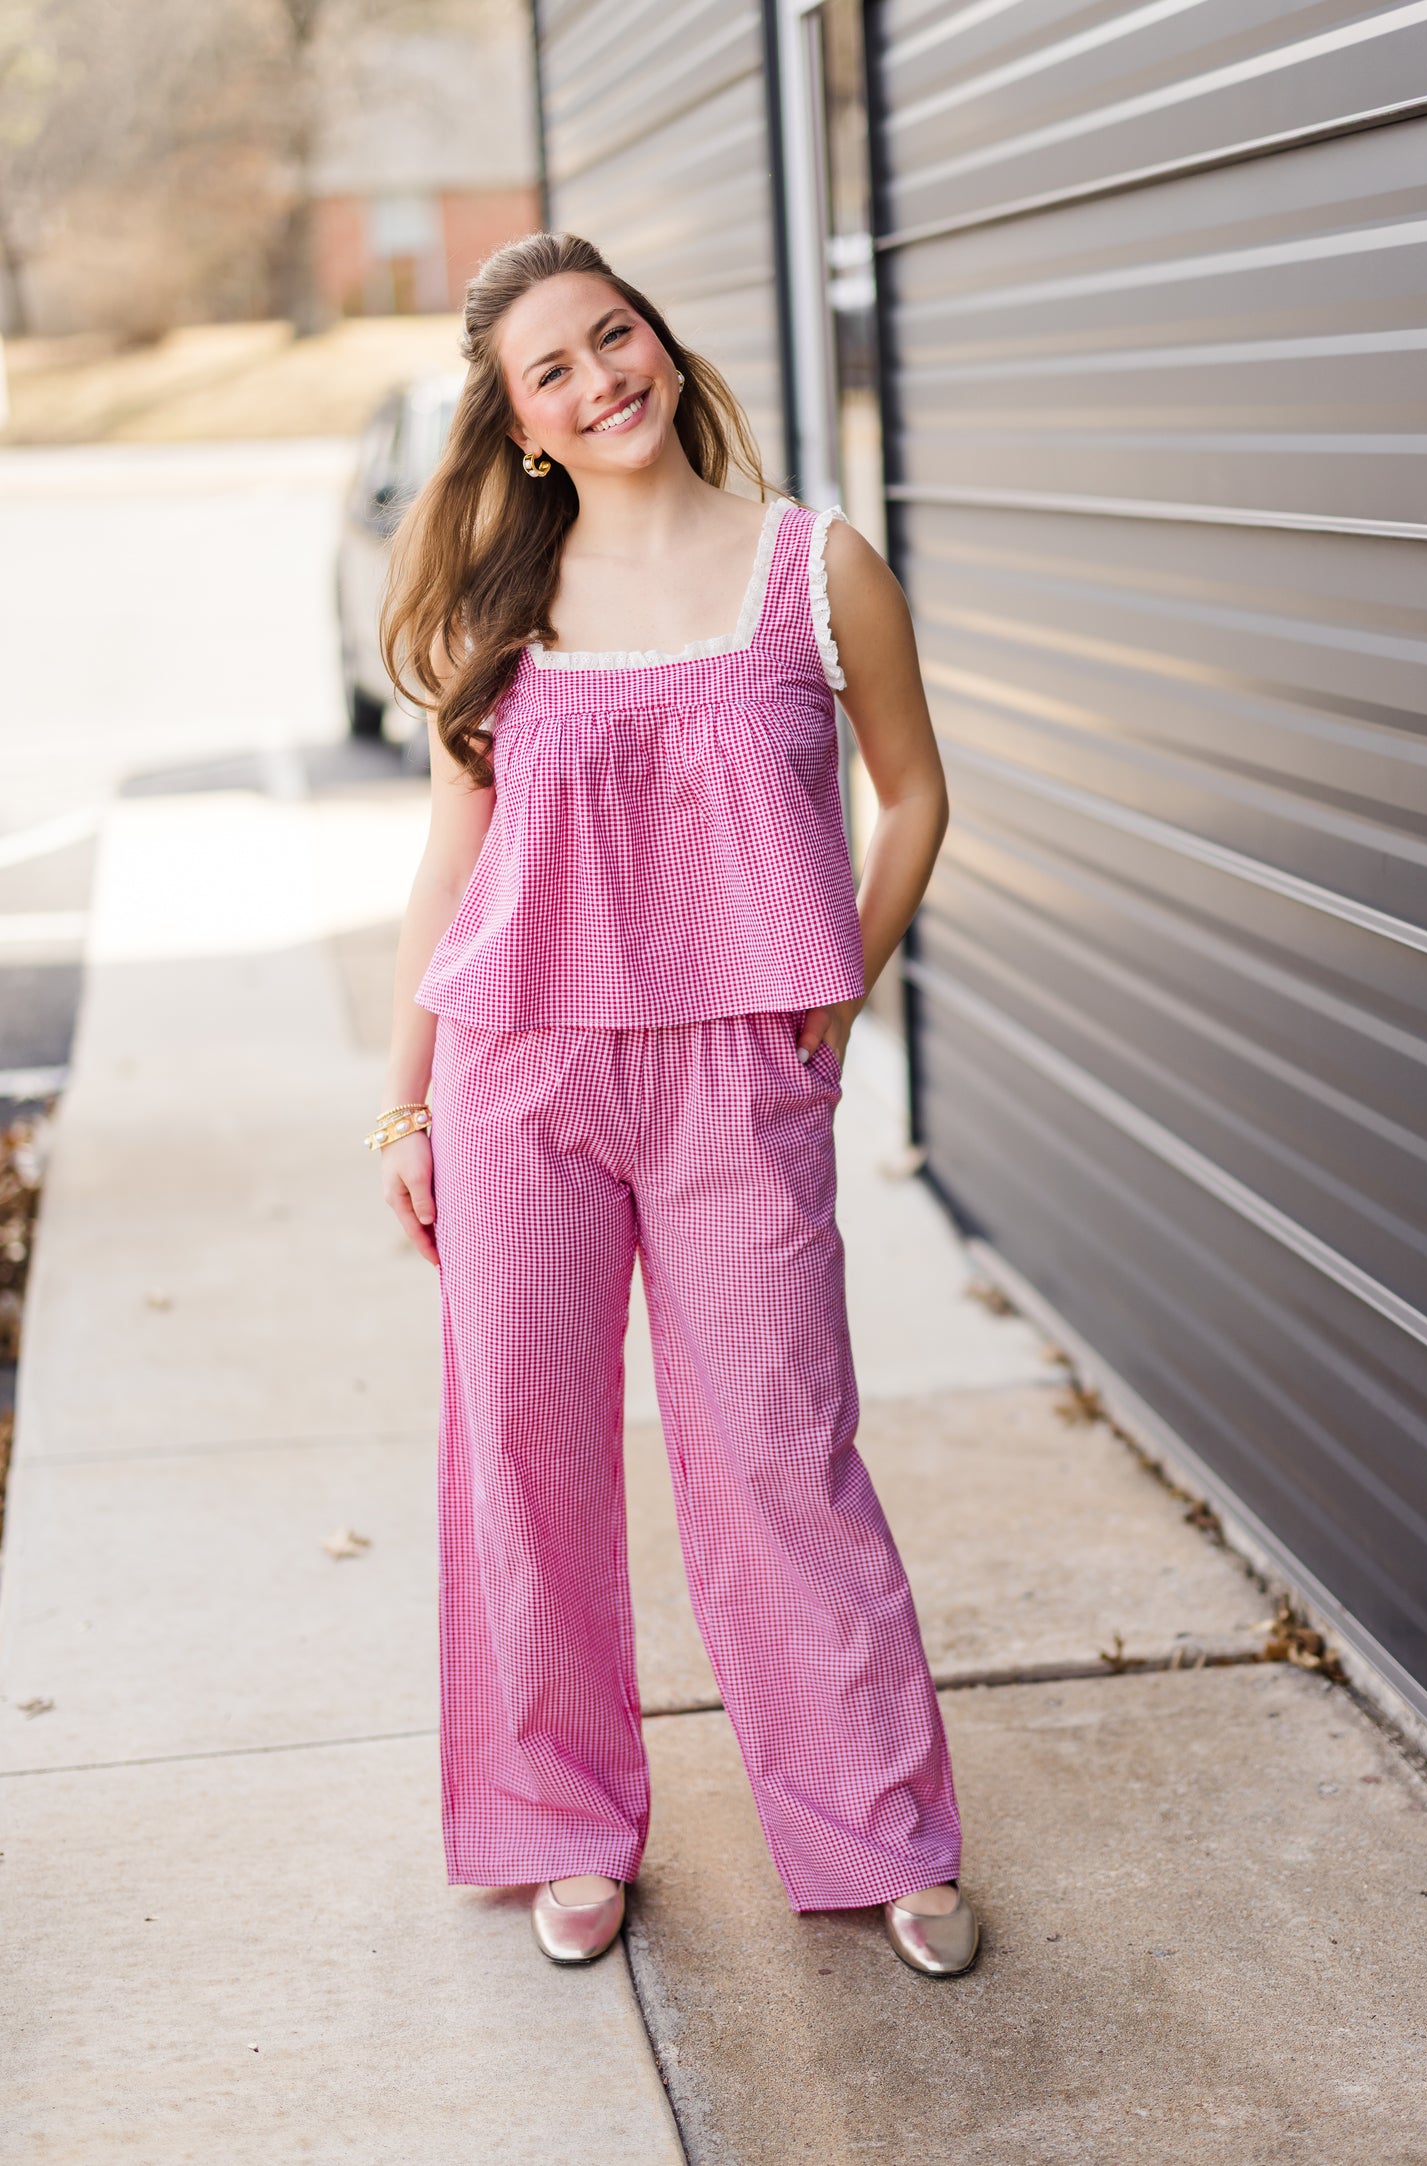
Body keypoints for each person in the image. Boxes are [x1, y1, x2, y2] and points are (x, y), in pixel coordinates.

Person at [372, 231, 977, 1979]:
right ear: (524, 427)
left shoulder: (813, 566)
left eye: (610, 335)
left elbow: (916, 797)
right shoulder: (503, 607)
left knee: (784, 1448)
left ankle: (881, 1824)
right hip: (520, 1074)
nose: (597, 377)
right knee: (525, 1458)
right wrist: (402, 1105)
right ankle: (562, 1819)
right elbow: (450, 861)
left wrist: (832, 993)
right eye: (549, 370)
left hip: (735, 1073)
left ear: (657, 340)